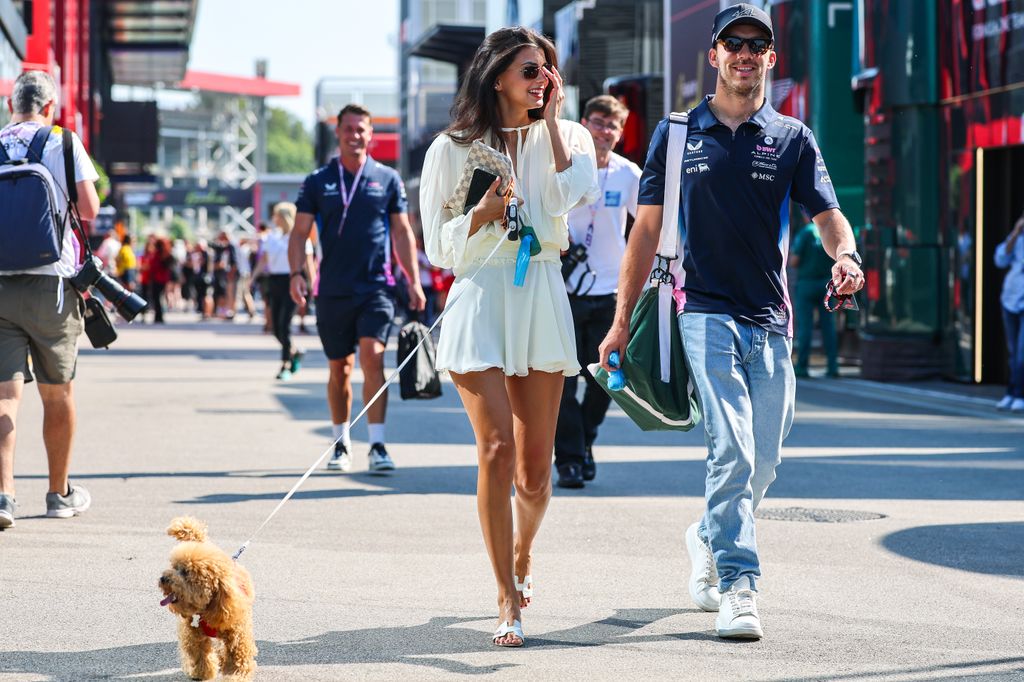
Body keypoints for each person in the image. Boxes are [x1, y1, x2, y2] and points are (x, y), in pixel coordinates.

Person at [598, 3, 864, 640]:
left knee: (763, 459)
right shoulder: (678, 133)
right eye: (733, 43)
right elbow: (646, 231)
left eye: (757, 45)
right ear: (714, 55)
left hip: (772, 317)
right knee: (733, 449)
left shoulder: (792, 138)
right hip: (704, 311)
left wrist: (847, 255)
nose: (745, 54)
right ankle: (740, 587)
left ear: (770, 59)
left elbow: (827, 216)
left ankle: (708, 535)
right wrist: (619, 321)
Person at [420, 26, 599, 646]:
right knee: (495, 450)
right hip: (480, 293)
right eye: (529, 70)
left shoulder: (571, 136)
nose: (541, 79)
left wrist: (550, 123)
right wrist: (481, 215)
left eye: (548, 70)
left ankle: (523, 555)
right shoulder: (452, 147)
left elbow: (568, 196)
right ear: (497, 77)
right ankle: (505, 597)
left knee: (536, 474)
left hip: (542, 290)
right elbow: (439, 248)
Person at [290, 104, 425, 473]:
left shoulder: (387, 179)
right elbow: (299, 232)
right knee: (340, 369)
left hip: (376, 288)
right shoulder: (318, 180)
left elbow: (401, 232)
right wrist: (296, 274)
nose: (354, 135)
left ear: (371, 135)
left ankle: (377, 444)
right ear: (338, 133)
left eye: (361, 129)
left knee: (373, 357)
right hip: (332, 289)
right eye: (348, 129)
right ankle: (340, 442)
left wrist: (413, 279)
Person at [0, 70, 100, 529]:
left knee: (5, 396)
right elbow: (90, 208)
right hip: (52, 285)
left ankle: (4, 496)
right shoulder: (63, 141)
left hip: (1, 284)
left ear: (10, 107)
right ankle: (59, 494)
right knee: (57, 393)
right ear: (51, 107)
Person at [553, 94, 641, 489]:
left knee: (607, 379)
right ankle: (569, 459)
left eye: (612, 125)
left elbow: (651, 227)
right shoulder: (566, 167)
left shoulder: (628, 174)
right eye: (598, 122)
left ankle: (585, 440)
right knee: (562, 381)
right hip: (563, 290)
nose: (604, 131)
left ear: (620, 134)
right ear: (583, 124)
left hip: (610, 292)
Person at [253, 202, 311, 380]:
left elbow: (308, 262)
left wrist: (313, 284)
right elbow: (264, 260)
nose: (273, 219)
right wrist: (253, 277)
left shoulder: (300, 237)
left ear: (284, 217)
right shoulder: (272, 237)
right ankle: (294, 351)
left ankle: (285, 364)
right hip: (275, 281)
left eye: (276, 215)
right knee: (275, 328)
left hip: (292, 280)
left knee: (285, 324)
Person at [790, 213, 839, 378]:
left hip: (807, 283)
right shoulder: (829, 233)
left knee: (805, 327)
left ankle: (802, 366)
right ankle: (833, 366)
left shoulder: (805, 233)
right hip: (826, 283)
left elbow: (794, 261)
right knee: (829, 326)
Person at [995, 212, 1024, 412]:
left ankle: (1020, 394)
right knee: (1013, 352)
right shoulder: (1018, 239)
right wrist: (1015, 232)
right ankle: (1011, 392)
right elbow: (1000, 260)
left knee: (1022, 353)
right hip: (1010, 299)